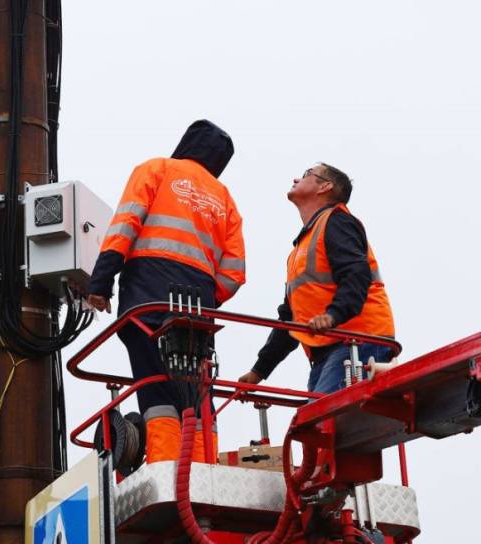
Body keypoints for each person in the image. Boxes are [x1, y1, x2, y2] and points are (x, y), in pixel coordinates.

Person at [86, 120, 245, 464]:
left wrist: (100, 283)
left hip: (147, 299)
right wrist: (206, 299)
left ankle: (168, 467)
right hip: (198, 311)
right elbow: (234, 273)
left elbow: (124, 227)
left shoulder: (156, 169)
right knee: (197, 391)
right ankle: (203, 470)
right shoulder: (224, 198)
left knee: (156, 386)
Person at [238, 163, 395, 395]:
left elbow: (355, 274)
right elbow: (292, 319)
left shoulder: (337, 221)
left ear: (325, 186)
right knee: (315, 424)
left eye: (305, 174)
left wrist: (333, 316)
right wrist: (259, 371)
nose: (295, 179)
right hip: (330, 349)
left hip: (357, 342)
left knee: (319, 423)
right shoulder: (300, 249)